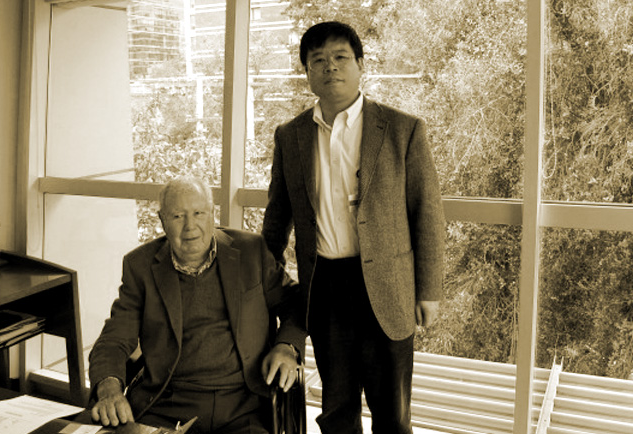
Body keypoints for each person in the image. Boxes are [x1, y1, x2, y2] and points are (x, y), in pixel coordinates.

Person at [262, 21, 445, 434]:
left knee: (392, 413)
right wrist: (258, 278)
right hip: (325, 285)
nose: (330, 67)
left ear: (361, 64)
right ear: (307, 73)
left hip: (387, 284)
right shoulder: (290, 136)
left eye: (341, 57)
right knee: (336, 408)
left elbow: (427, 212)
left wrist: (429, 289)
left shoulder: (402, 129)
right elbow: (277, 217)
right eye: (318, 60)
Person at [88, 176, 306, 434]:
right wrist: (109, 388)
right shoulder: (140, 266)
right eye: (178, 216)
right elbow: (114, 338)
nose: (190, 226)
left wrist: (287, 346)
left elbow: (295, 302)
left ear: (212, 214)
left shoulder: (251, 251)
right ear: (162, 221)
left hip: (243, 406)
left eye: (198, 213)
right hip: (167, 405)